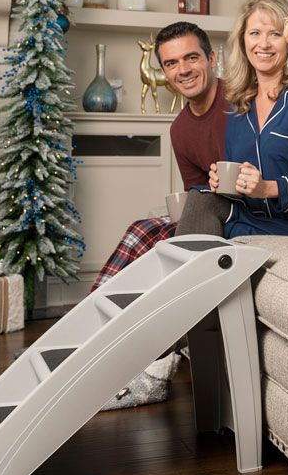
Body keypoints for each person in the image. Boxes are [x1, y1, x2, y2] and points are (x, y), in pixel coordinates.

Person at [90, 21, 228, 290]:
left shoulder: (241, 99)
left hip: (245, 211)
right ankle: (97, 315)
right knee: (140, 232)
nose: (183, 70)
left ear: (211, 59)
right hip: (210, 215)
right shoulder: (180, 130)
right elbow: (196, 195)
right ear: (163, 70)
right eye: (171, 63)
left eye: (191, 58)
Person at [208, 0, 288, 238]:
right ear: (242, 40)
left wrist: (268, 188)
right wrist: (220, 183)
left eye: (275, 34)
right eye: (255, 33)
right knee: (200, 202)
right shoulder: (238, 105)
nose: (263, 44)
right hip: (250, 224)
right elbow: (237, 178)